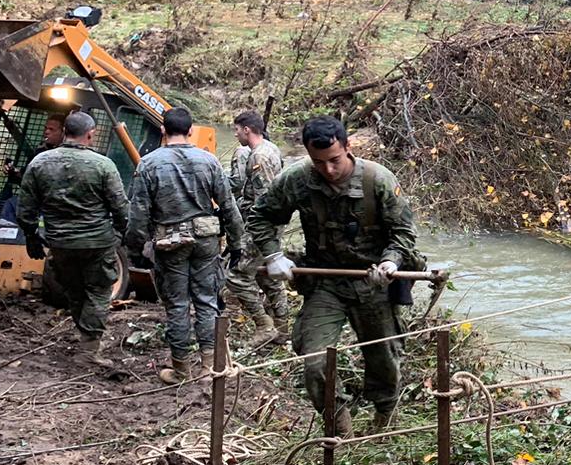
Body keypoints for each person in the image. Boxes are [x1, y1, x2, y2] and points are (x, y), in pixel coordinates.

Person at [248, 117, 421, 437]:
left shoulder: (377, 180)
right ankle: (340, 427)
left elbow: (404, 233)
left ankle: (385, 420)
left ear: (348, 147)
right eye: (318, 162)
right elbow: (261, 215)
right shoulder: (297, 179)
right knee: (314, 362)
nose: (328, 170)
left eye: (334, 161)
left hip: (373, 282)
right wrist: (274, 255)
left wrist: (390, 262)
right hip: (323, 281)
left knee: (383, 359)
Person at [127, 107, 246, 384]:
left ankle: (181, 370)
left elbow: (139, 212)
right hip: (206, 241)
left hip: (170, 243)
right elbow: (228, 206)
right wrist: (237, 242)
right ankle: (208, 368)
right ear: (191, 130)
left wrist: (135, 246)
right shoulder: (209, 161)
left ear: (162, 131)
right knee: (206, 301)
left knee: (177, 305)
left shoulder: (148, 164)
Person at [16, 112, 129, 365]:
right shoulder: (103, 165)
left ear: (65, 131)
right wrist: (122, 234)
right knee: (99, 292)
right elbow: (121, 207)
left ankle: (85, 340)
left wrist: (31, 236)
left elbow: (25, 208)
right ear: (90, 134)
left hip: (60, 242)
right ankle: (88, 351)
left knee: (75, 291)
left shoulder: (39, 163)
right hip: (97, 243)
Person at [224, 109, 289, 348]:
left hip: (262, 226)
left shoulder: (258, 157)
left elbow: (264, 198)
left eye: (237, 130)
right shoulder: (273, 149)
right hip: (275, 224)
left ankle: (264, 325)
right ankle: (282, 329)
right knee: (267, 273)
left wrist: (253, 228)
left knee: (237, 277)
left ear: (247, 130)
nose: (236, 135)